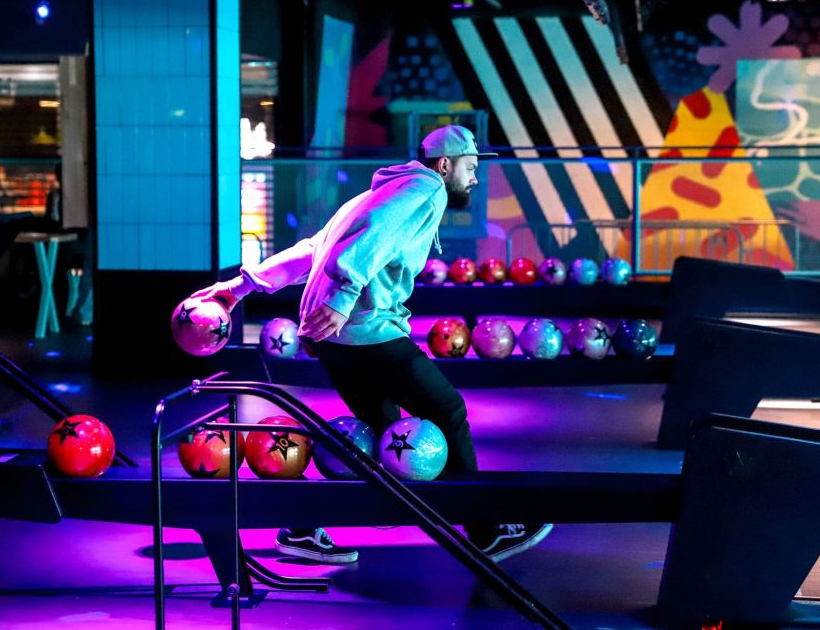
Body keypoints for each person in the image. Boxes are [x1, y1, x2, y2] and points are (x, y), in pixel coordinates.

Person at [191, 125, 552, 564]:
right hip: (364, 327)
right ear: (445, 164)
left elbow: (312, 248)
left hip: (330, 335)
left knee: (384, 442)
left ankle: (301, 527)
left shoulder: (374, 194)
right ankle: (485, 533)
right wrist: (344, 297)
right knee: (447, 410)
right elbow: (374, 236)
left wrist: (241, 286)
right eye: (471, 167)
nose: (475, 179)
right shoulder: (425, 187)